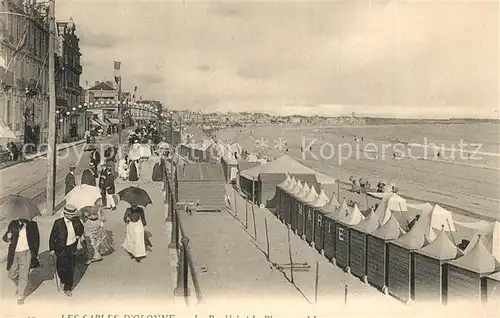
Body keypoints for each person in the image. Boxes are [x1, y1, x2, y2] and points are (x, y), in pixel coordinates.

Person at [49, 204, 85, 297]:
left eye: (72, 214)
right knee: (60, 267)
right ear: (65, 214)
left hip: (71, 247)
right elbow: (53, 236)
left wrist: (78, 235)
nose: (71, 216)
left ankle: (68, 288)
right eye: (69, 214)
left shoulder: (76, 221)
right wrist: (52, 248)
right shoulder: (58, 223)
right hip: (60, 248)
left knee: (70, 268)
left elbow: (81, 228)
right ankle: (63, 279)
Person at [2, 218, 40, 305]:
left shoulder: (32, 225)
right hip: (14, 253)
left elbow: (36, 240)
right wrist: (7, 237)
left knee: (24, 274)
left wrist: (35, 253)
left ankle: (20, 295)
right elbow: (4, 238)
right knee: (12, 274)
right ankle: (21, 285)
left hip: (26, 252)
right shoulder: (13, 223)